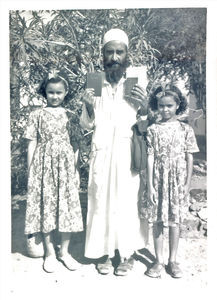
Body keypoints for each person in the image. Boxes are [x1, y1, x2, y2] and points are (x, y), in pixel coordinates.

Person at [80, 28, 149, 276]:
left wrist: (144, 108)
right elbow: (87, 124)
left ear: (127, 54)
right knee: (101, 203)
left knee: (127, 203)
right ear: (103, 54)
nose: (115, 57)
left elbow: (143, 124)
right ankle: (106, 254)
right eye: (110, 52)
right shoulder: (95, 81)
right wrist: (88, 107)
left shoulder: (135, 80)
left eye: (120, 52)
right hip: (102, 152)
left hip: (126, 151)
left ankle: (127, 254)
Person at [23, 72, 83, 273]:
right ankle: (49, 252)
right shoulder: (36, 115)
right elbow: (32, 144)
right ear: (45, 93)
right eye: (51, 92)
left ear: (65, 93)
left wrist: (75, 171)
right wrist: (31, 170)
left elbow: (75, 146)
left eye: (59, 93)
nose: (55, 96)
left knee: (67, 208)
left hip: (66, 168)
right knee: (46, 208)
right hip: (43, 167)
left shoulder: (72, 116)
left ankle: (64, 252)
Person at [140, 83, 199, 278]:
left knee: (175, 220)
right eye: (161, 106)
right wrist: (150, 185)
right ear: (156, 106)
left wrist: (187, 184)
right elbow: (150, 157)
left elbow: (190, 157)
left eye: (169, 106)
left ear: (177, 105)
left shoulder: (185, 129)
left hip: (177, 180)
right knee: (158, 220)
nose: (165, 110)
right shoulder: (153, 129)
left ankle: (172, 260)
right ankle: (158, 260)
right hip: (158, 178)